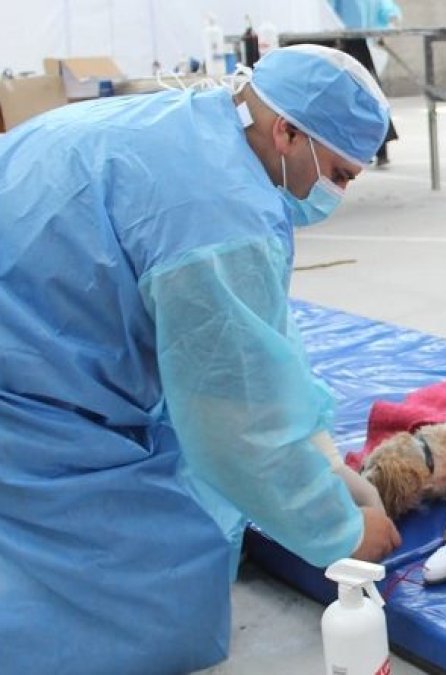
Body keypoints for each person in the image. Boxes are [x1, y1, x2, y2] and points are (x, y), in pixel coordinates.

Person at [0, 45, 402, 673]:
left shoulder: (200, 127)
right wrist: (337, 532)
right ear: (288, 131)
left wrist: (319, 452)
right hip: (24, 393)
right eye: (341, 174)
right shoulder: (222, 215)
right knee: (174, 586)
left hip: (34, 332)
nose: (337, 193)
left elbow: (255, 337)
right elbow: (235, 421)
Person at [325, 0, 402, 165]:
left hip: (358, 39)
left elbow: (383, 5)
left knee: (367, 93)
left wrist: (390, 15)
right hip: (344, 39)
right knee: (360, 93)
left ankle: (377, 147)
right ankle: (371, 148)